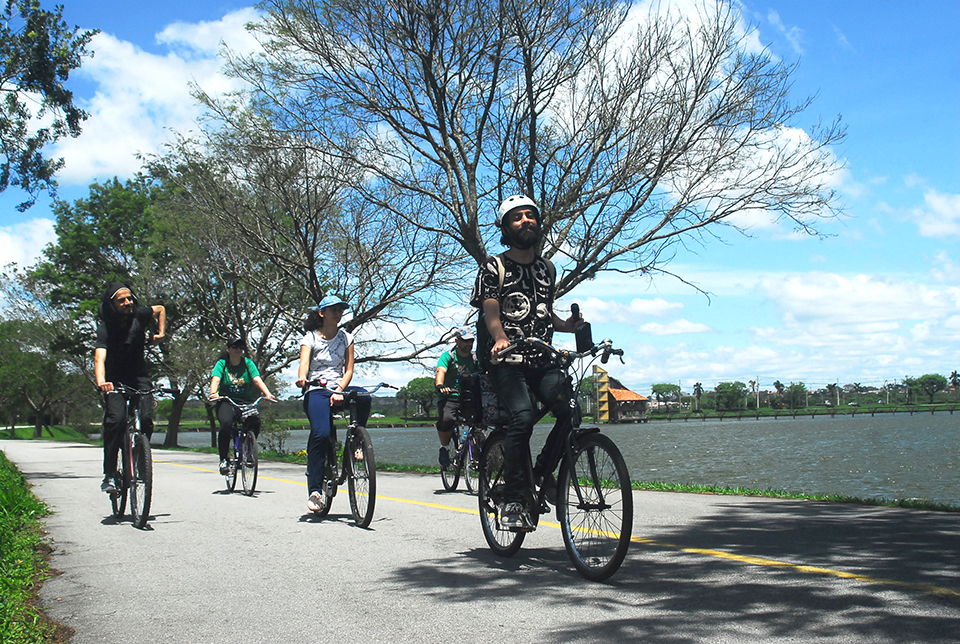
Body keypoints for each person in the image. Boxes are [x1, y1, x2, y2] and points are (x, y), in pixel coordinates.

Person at [470, 195, 582, 530]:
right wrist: (500, 337)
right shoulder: (494, 267)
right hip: (504, 360)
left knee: (569, 410)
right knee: (522, 416)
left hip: (541, 358)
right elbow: (490, 309)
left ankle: (543, 474)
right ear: (505, 228)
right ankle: (515, 499)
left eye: (530, 216)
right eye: (516, 218)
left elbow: (544, 313)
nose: (525, 221)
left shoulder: (547, 268)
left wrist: (568, 326)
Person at [295, 295, 371, 514]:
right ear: (322, 313)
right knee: (320, 433)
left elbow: (348, 369)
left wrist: (339, 391)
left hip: (338, 387)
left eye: (340, 310)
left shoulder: (346, 337)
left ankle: (357, 442)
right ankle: (315, 490)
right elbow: (304, 364)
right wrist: (302, 378)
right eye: (333, 310)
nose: (337, 314)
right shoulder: (309, 338)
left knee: (364, 397)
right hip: (316, 389)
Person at [94, 282, 166, 493]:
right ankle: (109, 475)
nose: (128, 302)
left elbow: (160, 309)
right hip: (114, 380)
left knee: (145, 419)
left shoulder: (140, 315)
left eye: (130, 298)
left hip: (138, 377)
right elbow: (99, 358)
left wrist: (160, 334)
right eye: (122, 300)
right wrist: (101, 382)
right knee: (115, 421)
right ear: (112, 304)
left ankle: (140, 457)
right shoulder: (105, 327)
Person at [209, 338, 276, 474]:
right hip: (227, 401)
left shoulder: (247, 363)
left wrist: (268, 394)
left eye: (240, 347)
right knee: (226, 424)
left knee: (255, 420)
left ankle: (248, 449)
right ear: (228, 349)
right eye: (235, 347)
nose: (238, 349)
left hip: (245, 402)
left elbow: (257, 379)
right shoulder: (222, 364)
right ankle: (224, 460)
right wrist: (213, 393)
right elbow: (216, 379)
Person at [435, 327, 477, 468]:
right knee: (446, 419)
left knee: (480, 421)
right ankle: (445, 448)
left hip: (469, 397)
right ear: (457, 340)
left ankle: (476, 448)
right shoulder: (448, 356)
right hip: (450, 396)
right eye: (465, 341)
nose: (468, 344)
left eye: (471, 341)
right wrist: (440, 385)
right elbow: (441, 370)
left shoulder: (475, 358)